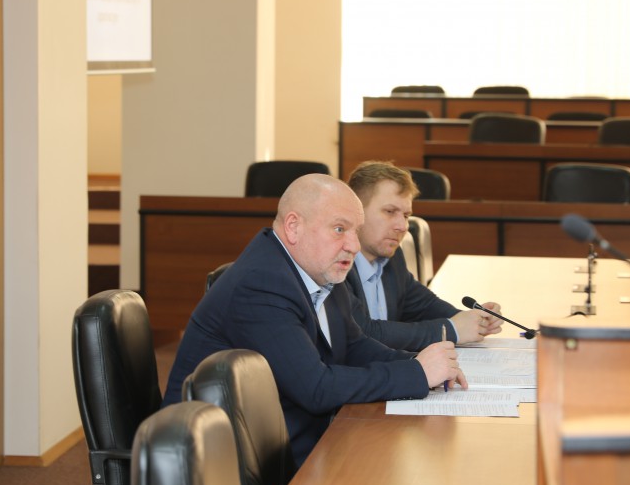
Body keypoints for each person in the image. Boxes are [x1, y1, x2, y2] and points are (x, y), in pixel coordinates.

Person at [162, 174, 465, 466]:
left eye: (355, 231)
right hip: (225, 462)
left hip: (288, 438)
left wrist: (419, 363)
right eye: (339, 229)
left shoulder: (319, 268)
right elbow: (316, 388)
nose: (353, 245)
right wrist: (416, 374)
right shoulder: (261, 284)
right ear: (293, 227)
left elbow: (355, 345)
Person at [345, 161, 503, 351]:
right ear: (356, 212)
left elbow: (423, 305)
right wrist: (452, 329)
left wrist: (475, 320)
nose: (402, 226)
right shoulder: (336, 264)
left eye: (406, 215)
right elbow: (364, 333)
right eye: (390, 212)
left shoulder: (392, 257)